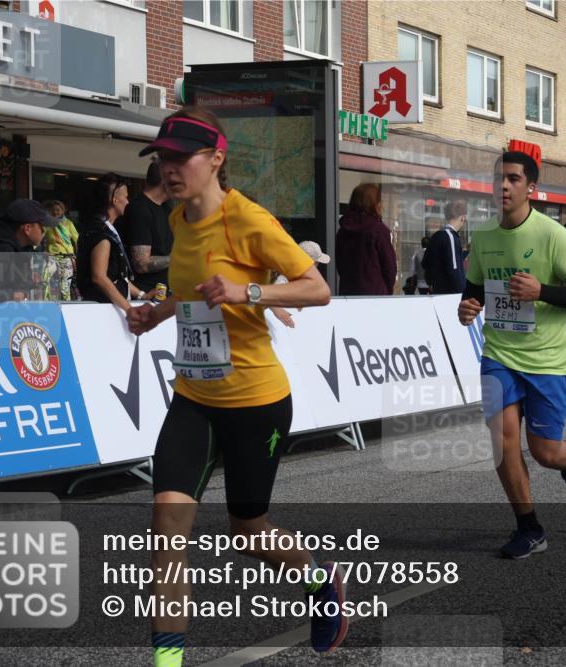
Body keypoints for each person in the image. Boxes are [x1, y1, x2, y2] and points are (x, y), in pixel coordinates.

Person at [124, 106, 340, 667]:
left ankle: (319, 583)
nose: (170, 169)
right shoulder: (176, 223)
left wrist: (251, 295)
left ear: (216, 158)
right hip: (194, 398)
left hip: (256, 403)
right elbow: (196, 291)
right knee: (166, 530)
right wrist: (161, 312)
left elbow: (316, 289)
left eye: (181, 158)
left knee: (248, 529)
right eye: (163, 159)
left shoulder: (250, 221)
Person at [457, 151, 566, 560]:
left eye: (514, 179)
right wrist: (467, 307)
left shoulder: (553, 235)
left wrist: (542, 292)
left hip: (548, 362)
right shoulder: (483, 238)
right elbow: (475, 291)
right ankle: (529, 528)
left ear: (530, 188)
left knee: (543, 451)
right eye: (500, 178)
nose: (504, 185)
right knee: (502, 443)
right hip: (499, 355)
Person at [76, 173, 154, 310]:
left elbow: (117, 277)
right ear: (114, 199)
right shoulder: (101, 233)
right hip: (103, 311)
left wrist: (143, 295)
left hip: (110, 309)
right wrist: (129, 309)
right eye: (125, 196)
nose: (128, 201)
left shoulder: (107, 229)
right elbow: (99, 277)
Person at [122, 161, 174, 294]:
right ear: (165, 181)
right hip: (145, 297)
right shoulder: (139, 209)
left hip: (166, 293)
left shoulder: (167, 207)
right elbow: (142, 264)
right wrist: (179, 258)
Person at [335, 183, 397, 295]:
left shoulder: (343, 230)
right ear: (375, 204)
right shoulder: (379, 230)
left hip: (348, 293)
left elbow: (340, 265)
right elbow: (390, 267)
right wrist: (387, 291)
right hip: (375, 294)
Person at [270, 240, 330, 328]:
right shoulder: (285, 276)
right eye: (316, 263)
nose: (317, 266)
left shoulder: (301, 276)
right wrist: (277, 309)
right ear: (307, 261)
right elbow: (270, 295)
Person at [424, 200, 467, 294]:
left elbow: (425, 263)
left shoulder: (435, 236)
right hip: (451, 294)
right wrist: (462, 292)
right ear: (463, 217)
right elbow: (454, 269)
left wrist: (431, 283)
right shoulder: (451, 237)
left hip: (437, 292)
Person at [42, 200, 80, 300]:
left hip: (66, 258)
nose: (55, 212)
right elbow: (39, 237)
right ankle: (47, 305)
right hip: (52, 257)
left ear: (63, 211)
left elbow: (77, 240)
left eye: (58, 210)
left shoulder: (68, 224)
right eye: (53, 210)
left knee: (64, 288)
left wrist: (78, 256)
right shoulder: (48, 224)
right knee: (44, 281)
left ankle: (66, 309)